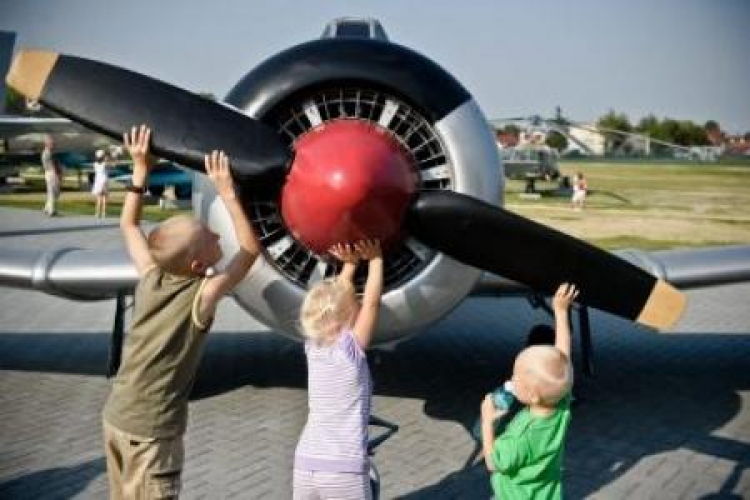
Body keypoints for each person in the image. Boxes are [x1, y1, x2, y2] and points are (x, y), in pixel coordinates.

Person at [102, 125, 261, 499]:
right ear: (194, 266)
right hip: (152, 432)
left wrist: (140, 169)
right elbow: (251, 250)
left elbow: (128, 225)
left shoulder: (151, 275)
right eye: (209, 238)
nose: (218, 236)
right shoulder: (202, 296)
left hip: (116, 418)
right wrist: (228, 195)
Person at [293, 239, 384, 500]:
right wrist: (376, 261)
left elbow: (333, 305)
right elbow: (372, 304)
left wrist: (349, 266)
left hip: (306, 461)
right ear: (348, 315)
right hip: (344, 469)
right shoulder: (350, 348)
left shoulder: (313, 345)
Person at [481, 283, 579, 500]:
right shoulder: (560, 407)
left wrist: (487, 422)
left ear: (534, 396)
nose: (511, 380)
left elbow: (492, 463)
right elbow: (563, 359)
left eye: (517, 377)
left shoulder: (520, 439)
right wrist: (561, 312)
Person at [41, 135, 61, 216]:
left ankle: (47, 208)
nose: (54, 145)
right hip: (51, 173)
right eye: (52, 143)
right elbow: (52, 165)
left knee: (55, 192)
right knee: (53, 192)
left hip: (50, 173)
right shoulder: (47, 153)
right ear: (47, 143)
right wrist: (57, 175)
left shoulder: (50, 152)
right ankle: (51, 210)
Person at [91, 149, 109, 218]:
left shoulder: (95, 164)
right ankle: (104, 213)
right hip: (104, 179)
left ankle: (97, 213)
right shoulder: (105, 163)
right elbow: (111, 164)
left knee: (99, 197)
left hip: (98, 180)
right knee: (104, 197)